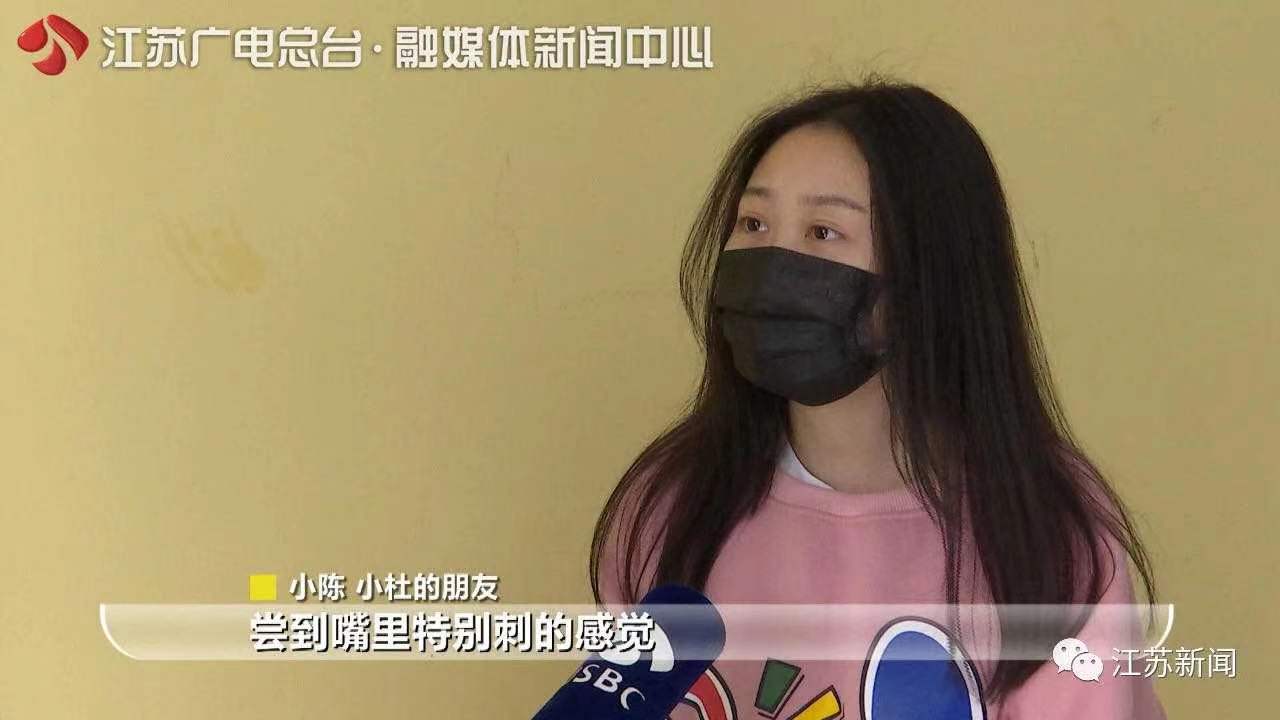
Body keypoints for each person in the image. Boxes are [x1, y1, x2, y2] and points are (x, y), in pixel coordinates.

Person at [590, 78, 1166, 719]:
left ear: (929, 276)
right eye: (753, 223)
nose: (773, 261)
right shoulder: (670, 505)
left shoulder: (1043, 533)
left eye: (823, 231)